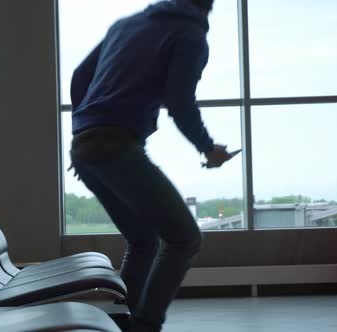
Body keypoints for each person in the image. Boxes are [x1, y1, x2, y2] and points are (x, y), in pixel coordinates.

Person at [69, 0, 231, 331]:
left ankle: (122, 321)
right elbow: (180, 102)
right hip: (116, 146)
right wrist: (208, 148)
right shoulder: (190, 34)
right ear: (208, 7)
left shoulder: (125, 25)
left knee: (143, 241)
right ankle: (145, 326)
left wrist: (85, 129)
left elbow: (80, 75)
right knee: (184, 238)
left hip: (85, 147)